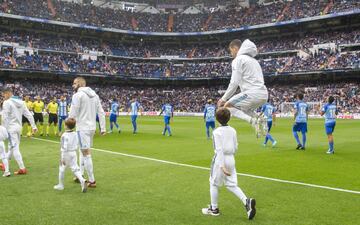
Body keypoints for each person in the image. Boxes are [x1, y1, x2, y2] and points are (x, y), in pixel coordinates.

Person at [201, 108, 256, 220]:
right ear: (229, 118)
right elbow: (236, 146)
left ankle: (214, 209)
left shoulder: (217, 132)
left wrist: (222, 165)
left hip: (220, 159)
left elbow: (219, 150)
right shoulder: (233, 130)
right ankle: (247, 202)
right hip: (231, 158)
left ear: (217, 119)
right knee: (232, 184)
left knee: (214, 184)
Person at [217, 39, 268, 138]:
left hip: (253, 93)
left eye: (231, 51)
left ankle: (252, 121)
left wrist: (223, 99)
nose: (231, 54)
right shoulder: (254, 61)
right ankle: (259, 118)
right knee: (243, 109)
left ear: (235, 48)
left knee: (227, 106)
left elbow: (234, 82)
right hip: (264, 94)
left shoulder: (238, 60)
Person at [68, 77, 106, 188]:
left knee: (86, 154)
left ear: (80, 84)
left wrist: (68, 127)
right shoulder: (95, 95)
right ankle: (80, 174)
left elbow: (73, 113)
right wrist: (102, 128)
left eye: (74, 83)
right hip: (91, 128)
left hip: (82, 128)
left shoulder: (77, 95)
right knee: (82, 151)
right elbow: (101, 112)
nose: (73, 85)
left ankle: (92, 180)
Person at [1, 88, 37, 175]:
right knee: (12, 147)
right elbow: (29, 115)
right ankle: (5, 164)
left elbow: (5, 117)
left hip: (10, 128)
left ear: (8, 93)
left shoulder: (7, 102)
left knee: (15, 148)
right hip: (18, 128)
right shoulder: (21, 102)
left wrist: (4, 130)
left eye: (4, 94)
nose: (3, 96)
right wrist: (34, 126)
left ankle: (22, 168)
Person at [53, 118, 87, 193]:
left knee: (61, 169)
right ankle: (82, 180)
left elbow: (64, 147)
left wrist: (62, 158)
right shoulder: (75, 134)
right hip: (74, 153)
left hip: (66, 153)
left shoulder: (64, 135)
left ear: (66, 126)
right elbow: (78, 142)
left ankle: (61, 185)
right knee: (75, 168)